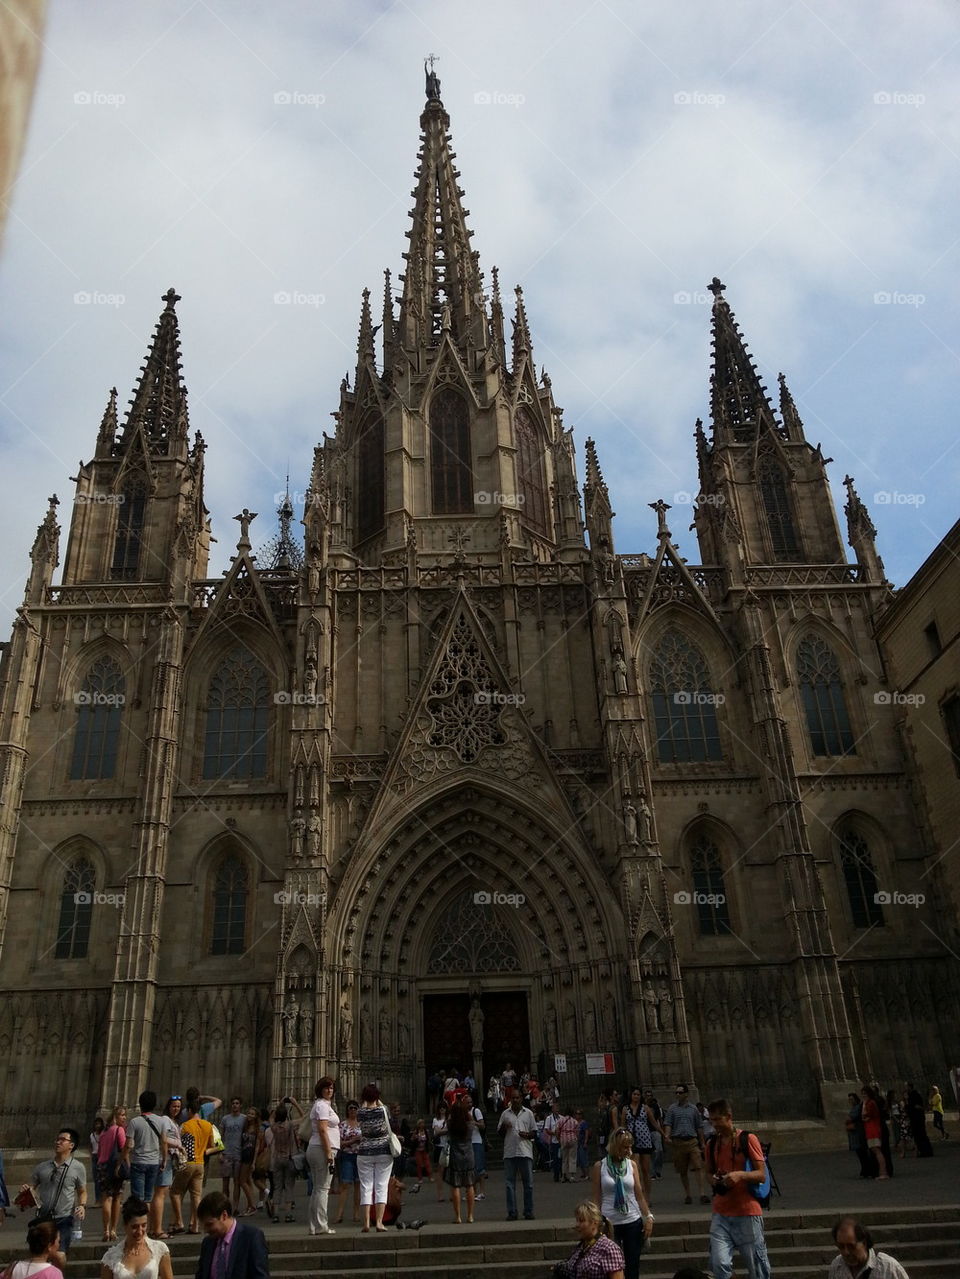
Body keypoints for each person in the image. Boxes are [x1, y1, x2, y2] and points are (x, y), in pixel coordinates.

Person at [704, 1098, 770, 1279]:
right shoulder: (711, 1144)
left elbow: (761, 1174)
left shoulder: (748, 1139)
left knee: (757, 1268)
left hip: (746, 1212)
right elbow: (708, 1173)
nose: (714, 1124)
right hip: (721, 1212)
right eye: (711, 1120)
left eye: (718, 1120)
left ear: (729, 1117)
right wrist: (715, 1180)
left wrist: (739, 1175)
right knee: (718, 1264)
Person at [591, 1126, 654, 1279]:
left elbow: (639, 1194)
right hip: (609, 1222)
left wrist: (649, 1216)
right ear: (614, 1146)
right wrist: (595, 1221)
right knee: (613, 1266)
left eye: (630, 1146)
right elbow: (596, 1197)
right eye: (624, 1147)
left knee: (632, 1265)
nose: (628, 1150)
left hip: (632, 1220)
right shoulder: (600, 1167)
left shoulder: (631, 1165)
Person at [23, 1128, 87, 1253]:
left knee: (60, 1254)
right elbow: (32, 1187)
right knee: (42, 1253)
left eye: (63, 1140)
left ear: (71, 1145)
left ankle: (57, 1273)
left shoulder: (78, 1167)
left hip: (64, 1218)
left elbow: (82, 1191)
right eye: (57, 1139)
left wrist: (82, 1206)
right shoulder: (42, 1167)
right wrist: (26, 1191)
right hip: (43, 1218)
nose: (58, 1142)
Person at [195, 1191, 269, 1279]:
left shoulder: (251, 1238)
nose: (206, 1230)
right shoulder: (208, 1243)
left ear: (224, 1215)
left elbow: (260, 1276)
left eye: (210, 1224)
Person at [99, 1194, 173, 1279]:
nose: (140, 1231)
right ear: (125, 1226)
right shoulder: (110, 1257)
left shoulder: (160, 1249)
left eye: (144, 1225)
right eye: (134, 1227)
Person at [169, 1097, 213, 1235]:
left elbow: (179, 1144)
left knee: (175, 1192)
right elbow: (212, 1146)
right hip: (200, 1163)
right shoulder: (208, 1125)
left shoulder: (185, 1126)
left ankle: (179, 1221)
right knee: (196, 1196)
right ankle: (195, 1225)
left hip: (187, 1162)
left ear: (189, 1110)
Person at [663, 1084, 709, 1205]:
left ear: (686, 1094)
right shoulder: (672, 1109)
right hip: (678, 1142)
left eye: (680, 1092)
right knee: (682, 1170)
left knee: (698, 1166)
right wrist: (667, 1135)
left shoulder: (693, 1109)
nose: (678, 1094)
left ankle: (702, 1193)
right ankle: (688, 1194)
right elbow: (668, 1124)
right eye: (676, 1093)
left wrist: (702, 1143)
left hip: (692, 1141)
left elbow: (699, 1127)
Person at [555, 1200, 625, 1279]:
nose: (577, 1225)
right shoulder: (581, 1246)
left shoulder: (609, 1249)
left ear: (594, 1223)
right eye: (577, 1220)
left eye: (581, 1221)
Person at [356, 1084, 393, 1232]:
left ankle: (366, 1223)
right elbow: (386, 1112)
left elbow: (363, 1109)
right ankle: (378, 1222)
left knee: (365, 1187)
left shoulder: (360, 1112)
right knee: (381, 1186)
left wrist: (366, 1100)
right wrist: (378, 1100)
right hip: (383, 1151)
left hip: (365, 1152)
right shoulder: (383, 1110)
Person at [306, 1077, 339, 1236]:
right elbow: (323, 1130)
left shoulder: (321, 1105)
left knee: (317, 1189)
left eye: (331, 1088)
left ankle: (314, 1225)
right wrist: (328, 1153)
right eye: (326, 1088)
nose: (329, 1090)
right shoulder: (322, 1106)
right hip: (321, 1149)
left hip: (317, 1148)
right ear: (320, 1089)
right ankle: (321, 1225)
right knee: (323, 1189)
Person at [828, 1215, 910, 1279]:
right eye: (841, 1246)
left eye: (851, 1246)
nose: (846, 1252)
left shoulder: (888, 1267)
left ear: (864, 1243)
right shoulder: (837, 1266)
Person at [498, 1092, 536, 1221]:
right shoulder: (505, 1114)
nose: (515, 1099)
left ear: (521, 1099)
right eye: (513, 1097)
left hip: (525, 1151)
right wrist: (504, 1126)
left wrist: (527, 1134)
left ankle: (528, 1211)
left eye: (517, 1097)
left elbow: (534, 1132)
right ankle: (512, 1212)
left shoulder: (529, 1113)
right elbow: (500, 1133)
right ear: (510, 1099)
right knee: (509, 1184)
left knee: (528, 1184)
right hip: (510, 1152)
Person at [616, 1087, 658, 1201]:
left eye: (638, 1094)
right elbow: (623, 1125)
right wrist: (621, 1138)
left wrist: (664, 1135)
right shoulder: (626, 1109)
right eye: (634, 1094)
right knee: (636, 1168)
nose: (636, 1096)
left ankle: (647, 1197)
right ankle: (638, 1194)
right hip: (632, 1141)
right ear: (631, 1096)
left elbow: (654, 1123)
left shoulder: (646, 1108)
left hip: (645, 1140)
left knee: (646, 1169)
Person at [126, 1092, 166, 1206]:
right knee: (148, 1197)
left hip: (138, 1161)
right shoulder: (161, 1121)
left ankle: (138, 1222)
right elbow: (164, 1142)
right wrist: (164, 1159)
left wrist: (124, 1160)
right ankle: (145, 1223)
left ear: (140, 1103)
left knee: (138, 1198)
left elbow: (128, 1145)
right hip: (154, 1162)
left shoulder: (134, 1122)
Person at [151, 1096, 184, 1238]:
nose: (176, 1109)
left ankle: (153, 1227)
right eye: (174, 1106)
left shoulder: (173, 1122)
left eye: (178, 1106)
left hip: (169, 1158)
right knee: (160, 1194)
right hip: (165, 1158)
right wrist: (178, 1145)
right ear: (168, 1107)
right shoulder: (165, 1120)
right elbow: (162, 1139)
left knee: (160, 1194)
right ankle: (156, 1229)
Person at [444, 1094, 476, 1225]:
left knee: (456, 1185)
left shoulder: (451, 1124)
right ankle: (470, 1215)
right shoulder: (470, 1124)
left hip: (456, 1155)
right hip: (468, 1154)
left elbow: (448, 1124)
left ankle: (458, 1216)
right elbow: (472, 1123)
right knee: (469, 1185)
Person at [97, 1107, 129, 1241]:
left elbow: (98, 1152)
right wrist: (127, 1165)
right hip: (115, 1166)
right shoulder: (119, 1130)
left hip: (102, 1166)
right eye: (122, 1115)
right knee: (116, 1198)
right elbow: (123, 1148)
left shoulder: (103, 1133)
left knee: (106, 1198)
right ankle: (113, 1230)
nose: (124, 1118)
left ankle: (105, 1230)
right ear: (116, 1116)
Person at [264, 1102, 298, 1225]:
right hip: (288, 1158)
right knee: (289, 1186)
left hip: (277, 1159)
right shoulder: (289, 1125)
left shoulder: (273, 1127)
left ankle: (276, 1214)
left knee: (277, 1187)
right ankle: (288, 1214)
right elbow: (303, 1117)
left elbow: (270, 1118)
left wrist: (278, 1105)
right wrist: (294, 1103)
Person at [333, 1101, 362, 1225]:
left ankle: (356, 1214)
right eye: (351, 1108)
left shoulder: (362, 1125)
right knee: (345, 1185)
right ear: (347, 1110)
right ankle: (339, 1214)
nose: (353, 1110)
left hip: (360, 1157)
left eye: (355, 1108)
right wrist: (353, 1140)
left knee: (358, 1185)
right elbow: (338, 1143)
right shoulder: (342, 1125)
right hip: (347, 1156)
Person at [219, 1097, 247, 1214]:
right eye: (233, 1103)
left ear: (240, 1105)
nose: (235, 1105)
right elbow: (221, 1136)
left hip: (238, 1153)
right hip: (227, 1153)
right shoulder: (225, 1119)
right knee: (225, 1182)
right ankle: (225, 1206)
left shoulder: (244, 1119)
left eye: (237, 1103)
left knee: (237, 1182)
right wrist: (220, 1152)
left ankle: (235, 1206)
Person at [860, 1086, 886, 1180]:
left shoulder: (870, 1103)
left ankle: (883, 1172)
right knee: (875, 1151)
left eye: (865, 1093)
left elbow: (866, 1115)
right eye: (862, 1093)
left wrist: (864, 1105)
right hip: (870, 1129)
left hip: (873, 1129)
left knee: (877, 1151)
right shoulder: (869, 1103)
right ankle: (881, 1172)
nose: (863, 1095)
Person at [845, 1093, 871, 1179]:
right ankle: (865, 1170)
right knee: (861, 1153)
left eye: (852, 1099)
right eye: (850, 1099)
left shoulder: (857, 1108)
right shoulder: (855, 1108)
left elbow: (850, 1118)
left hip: (858, 1132)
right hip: (855, 1132)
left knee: (862, 1152)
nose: (851, 1101)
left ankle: (866, 1170)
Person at [905, 1083, 933, 1157]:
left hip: (917, 1118)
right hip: (916, 1117)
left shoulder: (913, 1095)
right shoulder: (912, 1095)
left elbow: (915, 1106)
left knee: (920, 1134)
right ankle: (924, 1150)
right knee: (920, 1135)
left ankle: (925, 1151)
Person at [431, 1102, 449, 1203]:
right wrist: (444, 1131)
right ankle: (440, 1194)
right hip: (439, 1147)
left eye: (444, 1107)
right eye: (440, 1107)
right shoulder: (435, 1120)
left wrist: (442, 1131)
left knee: (450, 1170)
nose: (442, 1109)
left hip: (447, 1145)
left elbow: (447, 1130)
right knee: (439, 1171)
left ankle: (452, 1193)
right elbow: (436, 1131)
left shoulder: (449, 1119)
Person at [469, 1096, 487, 1199]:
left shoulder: (476, 1111)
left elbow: (482, 1125)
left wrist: (474, 1122)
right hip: (467, 1142)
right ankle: (473, 1192)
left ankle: (482, 1192)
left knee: (479, 1168)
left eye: (470, 1102)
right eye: (467, 1102)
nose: (469, 1104)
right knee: (471, 1169)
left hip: (477, 1141)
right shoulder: (462, 1113)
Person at [90, 1118, 105, 1207]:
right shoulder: (92, 1135)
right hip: (95, 1156)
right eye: (96, 1124)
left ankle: (104, 1199)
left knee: (103, 1179)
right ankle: (97, 1200)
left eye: (99, 1124)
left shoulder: (104, 1134)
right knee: (96, 1179)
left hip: (102, 1156)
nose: (97, 1126)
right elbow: (91, 1145)